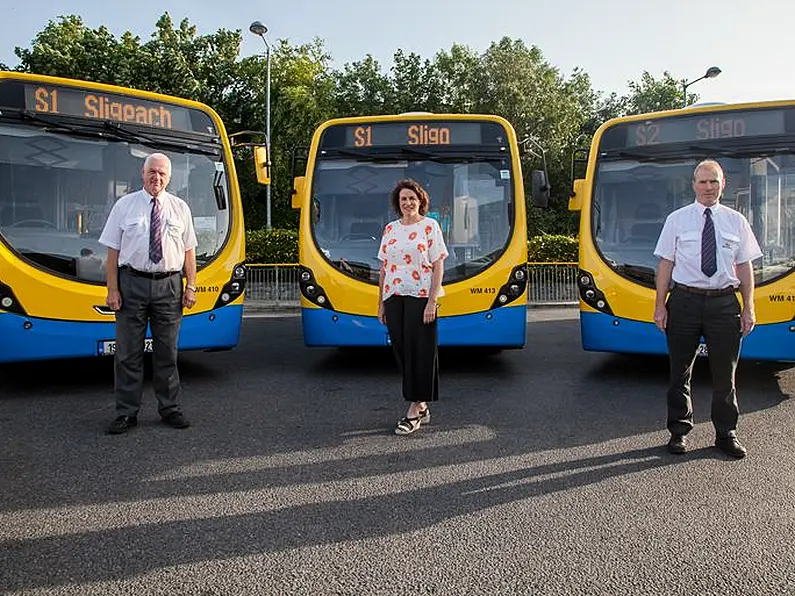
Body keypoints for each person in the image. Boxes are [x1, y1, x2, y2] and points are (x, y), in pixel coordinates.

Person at [653, 159, 762, 458]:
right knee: (679, 373)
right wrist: (660, 306)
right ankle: (679, 431)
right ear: (693, 185)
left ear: (723, 184)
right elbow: (666, 264)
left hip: (725, 303)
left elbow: (744, 266)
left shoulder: (736, 221)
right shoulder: (676, 219)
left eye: (714, 181)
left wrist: (748, 307)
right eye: (703, 182)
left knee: (725, 374)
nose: (708, 187)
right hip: (684, 303)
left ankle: (726, 433)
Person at [99, 153, 198, 434]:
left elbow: (189, 252)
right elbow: (112, 252)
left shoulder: (180, 208)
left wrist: (190, 286)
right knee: (128, 353)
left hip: (169, 286)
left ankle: (170, 409)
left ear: (169, 177)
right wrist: (112, 289)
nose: (157, 177)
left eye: (162, 173)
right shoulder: (124, 206)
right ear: (143, 174)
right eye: (152, 172)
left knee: (167, 352)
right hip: (131, 284)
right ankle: (126, 413)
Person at [378, 179, 448, 435]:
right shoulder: (390, 229)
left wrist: (432, 301)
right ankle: (421, 404)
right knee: (402, 351)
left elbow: (438, 265)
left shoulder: (430, 227)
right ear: (398, 204)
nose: (408, 203)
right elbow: (384, 268)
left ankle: (414, 407)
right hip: (393, 296)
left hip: (420, 296)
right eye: (403, 199)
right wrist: (381, 304)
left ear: (420, 202)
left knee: (421, 350)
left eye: (412, 199)